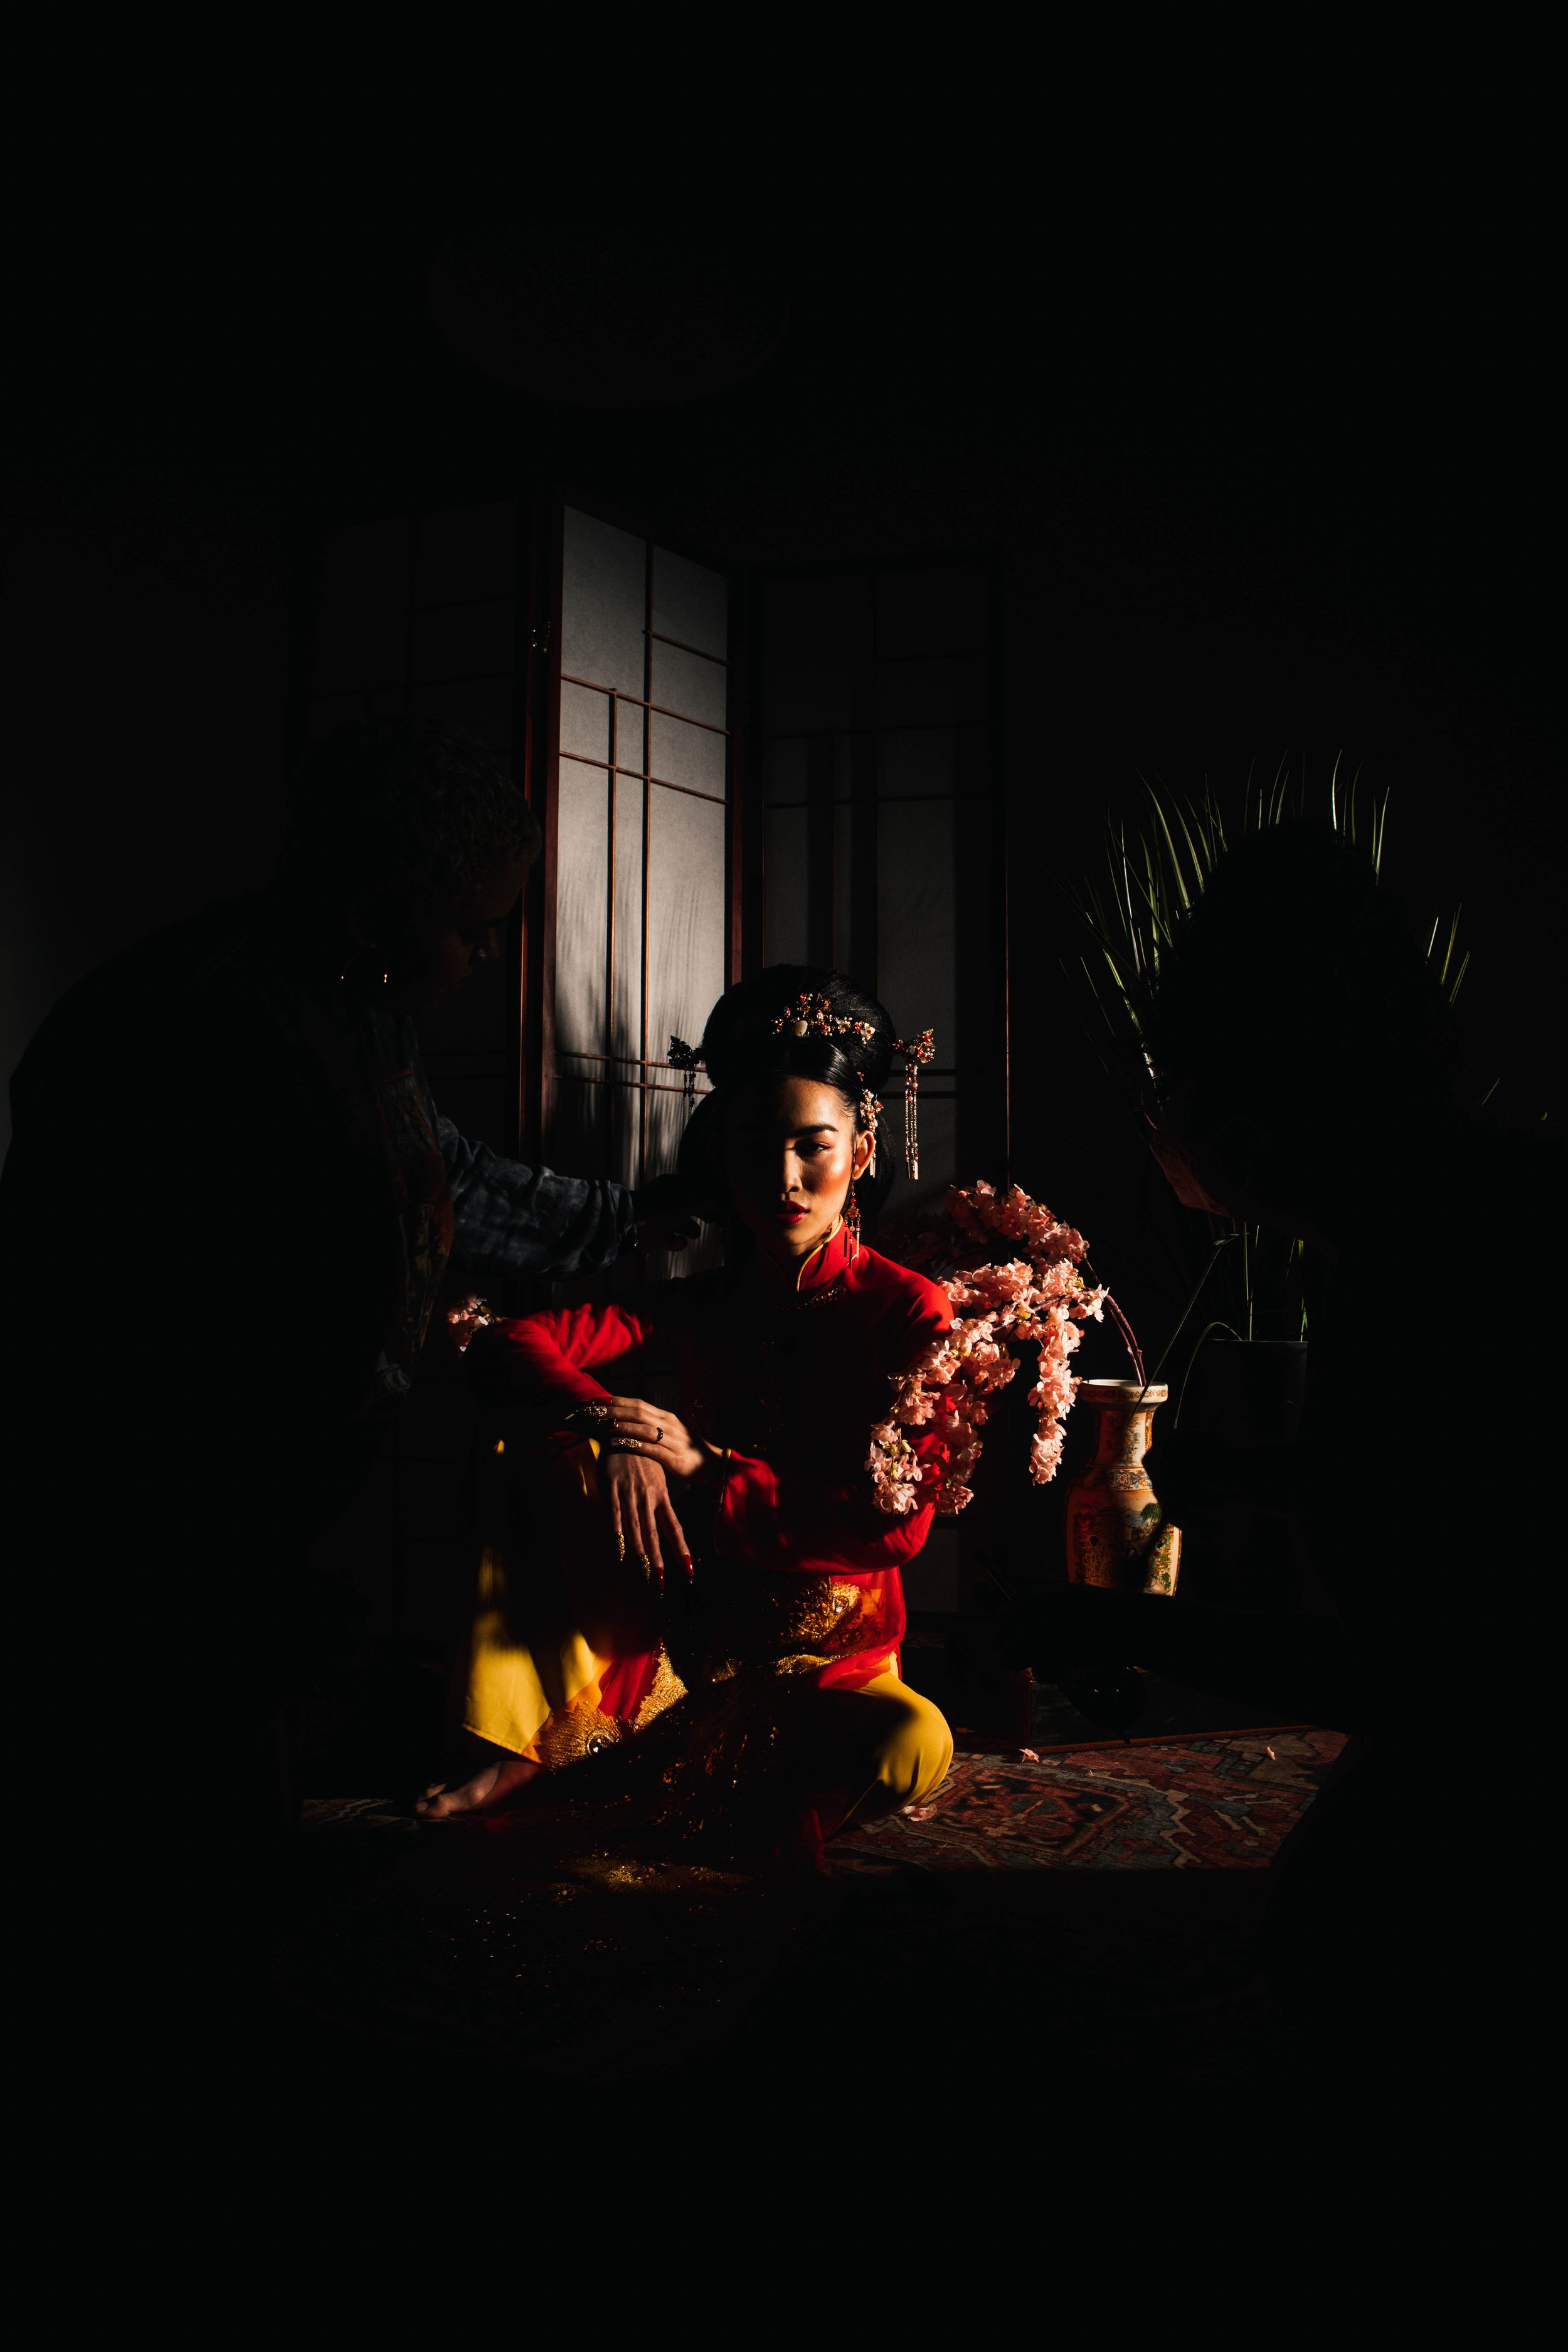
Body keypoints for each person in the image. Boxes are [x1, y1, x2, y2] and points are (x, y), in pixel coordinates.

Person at [1, 717, 697, 1811]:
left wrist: (631, 1221)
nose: (488, 953)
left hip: (283, 1473)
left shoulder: (361, 1008)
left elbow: (440, 1176)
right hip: (166, 1475)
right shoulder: (199, 1014)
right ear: (394, 897)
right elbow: (117, 1287)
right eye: (474, 925)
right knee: (152, 1759)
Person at [418, 965, 956, 1865]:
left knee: (912, 1747)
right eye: (753, 1146)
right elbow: (517, 1341)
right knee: (539, 1435)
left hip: (834, 1657)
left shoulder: (908, 1312)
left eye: (811, 1146)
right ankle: (522, 1745)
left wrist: (706, 1468)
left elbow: (895, 1527)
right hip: (684, 1633)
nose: (782, 1177)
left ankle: (644, 1766)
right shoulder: (703, 1301)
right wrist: (615, 1428)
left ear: (861, 1150)